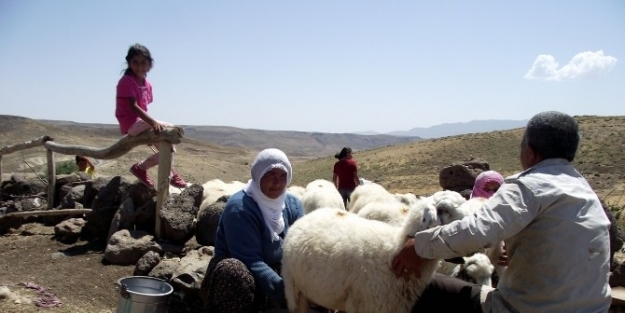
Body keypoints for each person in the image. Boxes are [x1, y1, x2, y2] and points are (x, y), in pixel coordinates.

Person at [392, 111, 611, 313]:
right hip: (594, 309)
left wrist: (418, 247)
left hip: (527, 310)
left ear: (529, 152)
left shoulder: (529, 185)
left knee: (427, 287)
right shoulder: (584, 189)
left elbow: (478, 230)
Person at [201, 148, 304, 312]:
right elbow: (250, 260)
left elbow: (303, 246)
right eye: (271, 174)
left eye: (282, 176)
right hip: (241, 282)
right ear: (258, 174)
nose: (277, 182)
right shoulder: (240, 208)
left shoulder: (292, 204)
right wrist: (285, 292)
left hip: (277, 275)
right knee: (233, 271)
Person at [115, 43, 187, 189]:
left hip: (140, 123)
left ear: (149, 64)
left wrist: (147, 132)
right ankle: (142, 168)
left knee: (169, 150)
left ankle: (154, 170)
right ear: (129, 62)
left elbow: (144, 107)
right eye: (135, 62)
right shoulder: (126, 81)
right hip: (131, 123)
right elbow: (134, 107)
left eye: (143, 62)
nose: (139, 66)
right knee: (169, 128)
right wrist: (152, 123)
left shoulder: (147, 84)